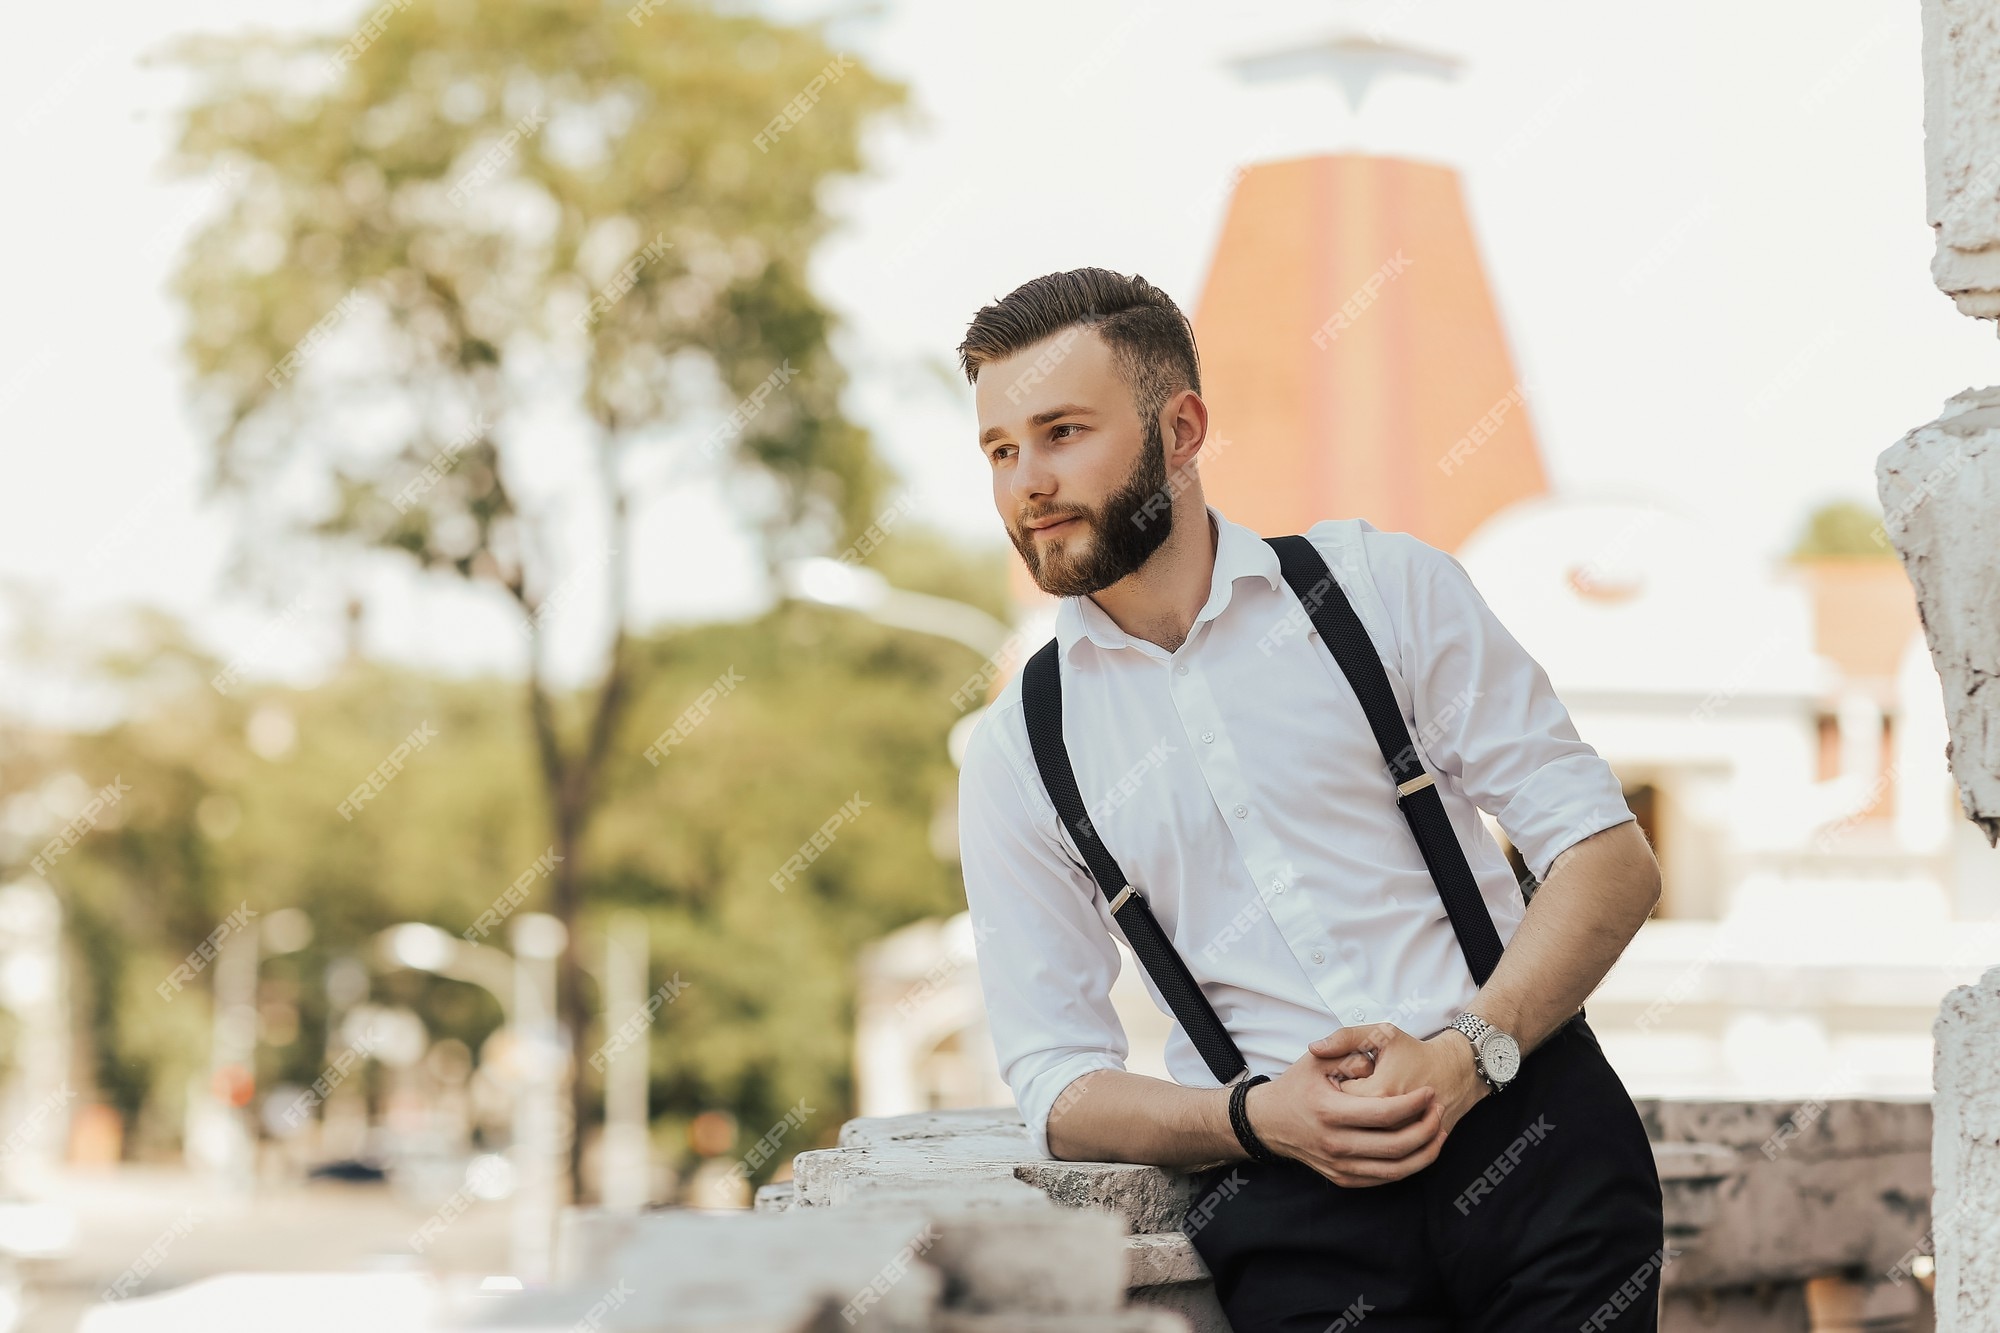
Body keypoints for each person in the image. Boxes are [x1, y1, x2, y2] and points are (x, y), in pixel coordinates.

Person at [953, 267, 1666, 1332]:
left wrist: (1468, 1053)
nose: (1027, 483)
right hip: (1296, 1219)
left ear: (1180, 428)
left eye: (1060, 433)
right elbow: (1056, 1082)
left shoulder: (1380, 589)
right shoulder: (1019, 748)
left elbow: (1608, 859)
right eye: (1001, 451)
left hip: (1537, 1146)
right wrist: (1256, 1117)